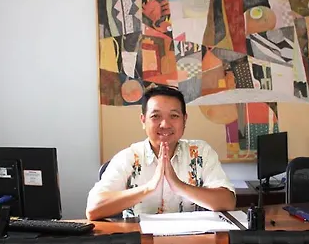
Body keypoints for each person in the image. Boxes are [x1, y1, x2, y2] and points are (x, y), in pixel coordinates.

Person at [86, 85, 236, 220]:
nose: (165, 124)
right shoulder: (129, 157)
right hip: (141, 240)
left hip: (191, 239)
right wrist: (149, 187)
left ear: (184, 120)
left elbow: (228, 202)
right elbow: (93, 209)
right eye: (155, 116)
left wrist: (179, 186)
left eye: (174, 116)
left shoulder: (200, 153)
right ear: (143, 120)